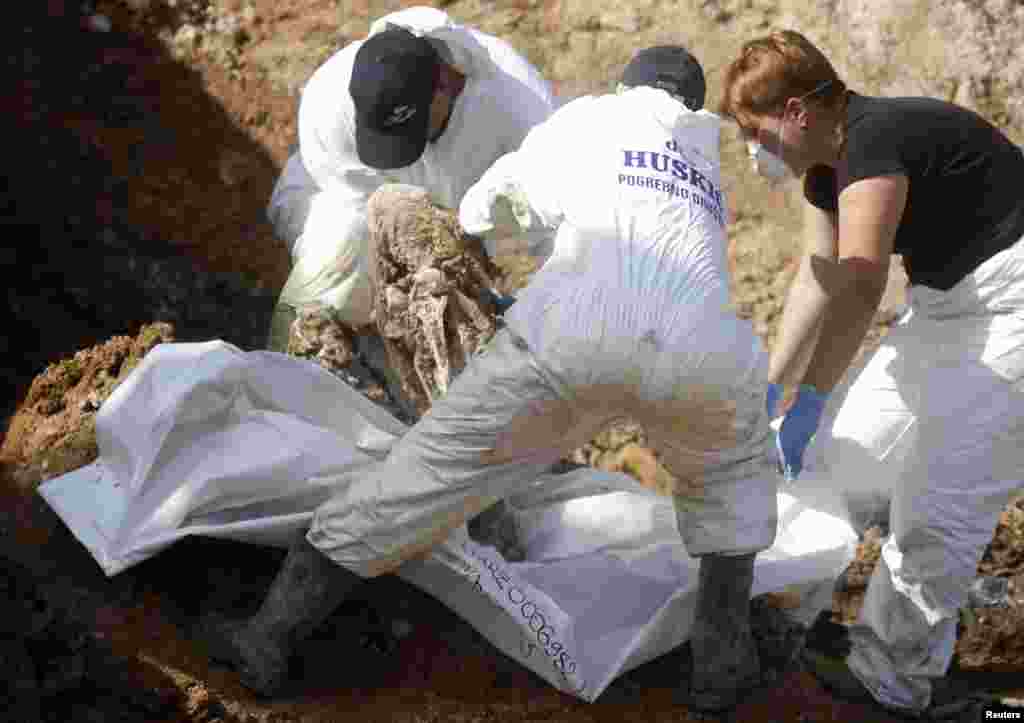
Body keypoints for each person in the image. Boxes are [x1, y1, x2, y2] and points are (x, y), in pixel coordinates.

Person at [200, 45, 779, 717]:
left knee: (422, 478)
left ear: (626, 87)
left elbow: (501, 200)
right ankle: (722, 660)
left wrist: (474, 234)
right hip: (704, 350)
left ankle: (269, 636)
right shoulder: (706, 164)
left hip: (574, 333)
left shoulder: (594, 117)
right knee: (734, 480)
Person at [719, 29, 1024, 718]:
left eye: (759, 134)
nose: (752, 153)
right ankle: (794, 615)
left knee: (938, 496)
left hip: (1016, 303)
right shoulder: (825, 167)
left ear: (799, 112)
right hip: (951, 306)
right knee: (846, 454)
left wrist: (810, 397)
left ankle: (894, 676)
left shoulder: (874, 143)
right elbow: (817, 279)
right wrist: (774, 390)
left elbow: (859, 286)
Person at [263, 5, 553, 352]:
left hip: (467, 215)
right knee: (334, 252)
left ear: (445, 83)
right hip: (343, 197)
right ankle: (314, 352)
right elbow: (351, 202)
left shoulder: (520, 105)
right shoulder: (329, 101)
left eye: (415, 129)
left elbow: (555, 226)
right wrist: (396, 271)